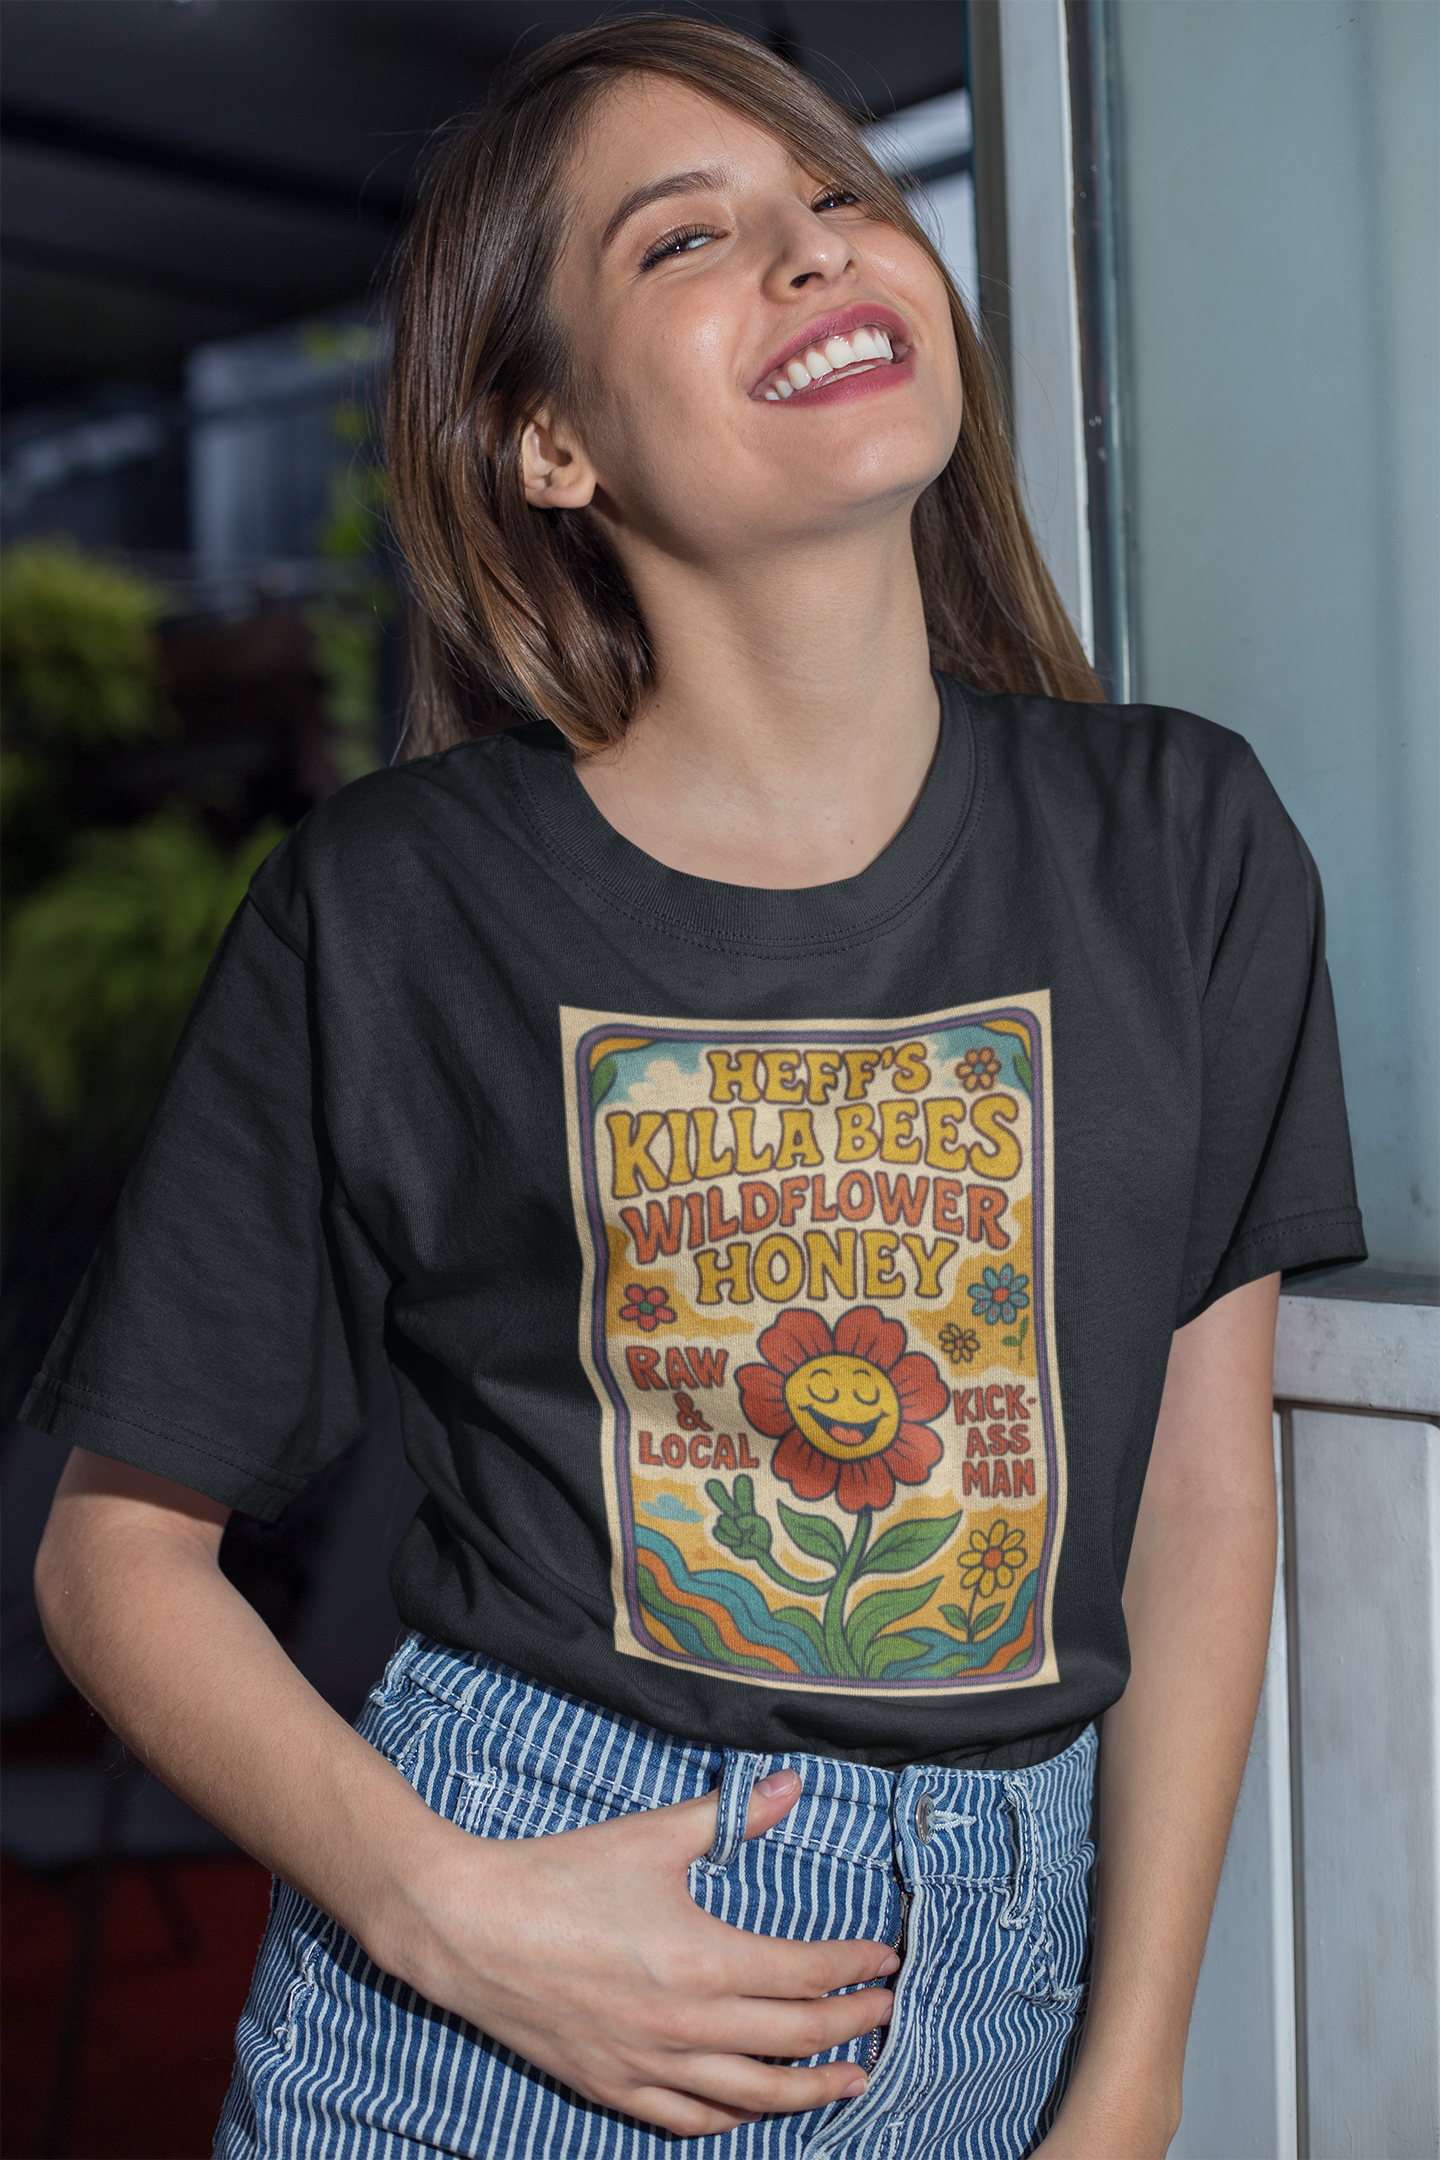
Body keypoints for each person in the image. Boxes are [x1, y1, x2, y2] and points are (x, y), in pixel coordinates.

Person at [27, 18, 1364, 2159]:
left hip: (1010, 1984)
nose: (821, 252)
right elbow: (115, 1560)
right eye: (693, 239)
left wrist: (1131, 2072)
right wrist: (441, 1910)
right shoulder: (397, 901)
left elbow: (1198, 1502)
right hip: (517, 1977)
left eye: (837, 197)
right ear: (549, 443)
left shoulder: (1180, 841)